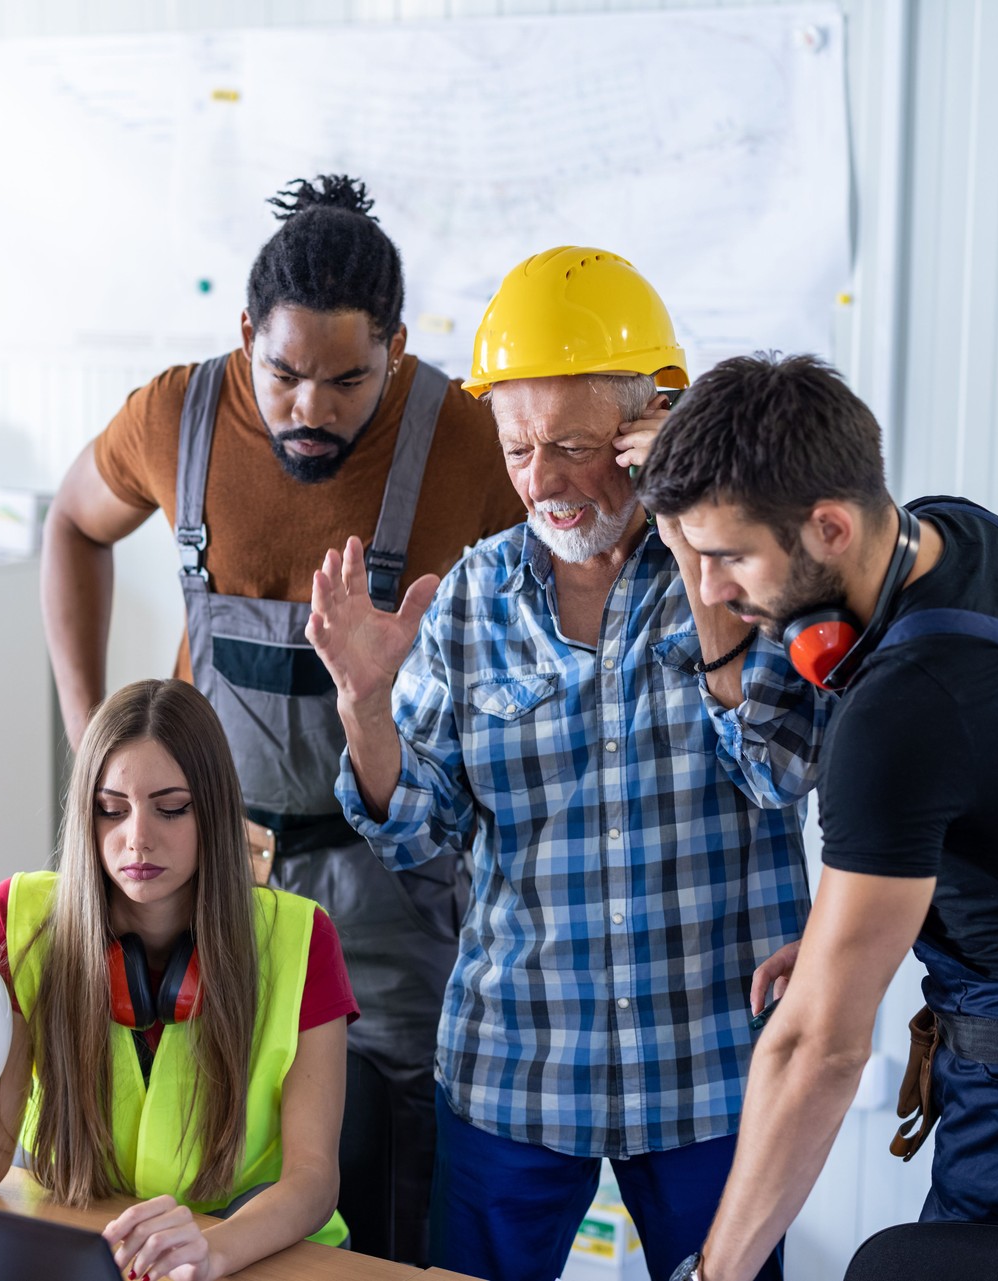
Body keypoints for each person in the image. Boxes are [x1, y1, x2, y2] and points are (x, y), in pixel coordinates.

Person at [308, 248, 828, 1281]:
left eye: (575, 446)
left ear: (651, 427)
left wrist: (693, 542)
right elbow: (418, 831)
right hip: (517, 1068)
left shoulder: (753, 568)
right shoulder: (472, 595)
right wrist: (367, 710)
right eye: (517, 448)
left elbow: (778, 770)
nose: (540, 481)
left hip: (712, 1068)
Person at [634, 353, 998, 1281]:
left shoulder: (905, 709)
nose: (707, 592)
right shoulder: (959, 535)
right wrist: (836, 933)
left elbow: (818, 1047)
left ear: (829, 526)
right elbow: (992, 804)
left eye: (727, 555)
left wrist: (718, 1271)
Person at [40, 174, 522, 1264]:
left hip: (390, 870)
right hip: (212, 858)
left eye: (350, 379)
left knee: (388, 1137)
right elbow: (73, 525)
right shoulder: (178, 415)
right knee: (200, 1122)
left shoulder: (471, 442)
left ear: (397, 347)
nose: (312, 407)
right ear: (245, 333)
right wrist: (91, 749)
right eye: (286, 374)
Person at [0, 680, 358, 1281]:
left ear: (213, 811)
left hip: (259, 1254)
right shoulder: (21, 920)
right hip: (99, 1250)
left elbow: (313, 1180)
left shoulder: (301, 937)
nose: (137, 837)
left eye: (171, 808)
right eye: (111, 809)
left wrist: (214, 1249)